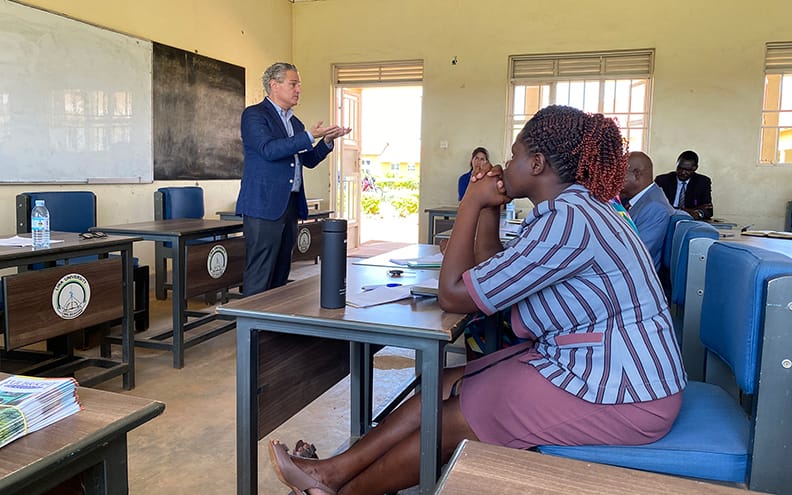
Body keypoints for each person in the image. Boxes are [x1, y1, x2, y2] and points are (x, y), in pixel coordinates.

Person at [267, 105, 686, 495]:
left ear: (537, 164)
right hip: (597, 366)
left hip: (623, 391)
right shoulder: (579, 207)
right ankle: (332, 472)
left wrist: (470, 201)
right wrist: (489, 209)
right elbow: (490, 272)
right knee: (441, 386)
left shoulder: (568, 220)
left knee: (453, 419)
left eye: (515, 154)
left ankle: (338, 490)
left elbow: (453, 295)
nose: (506, 162)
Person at [236, 62, 351, 296]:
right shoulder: (255, 115)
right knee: (260, 273)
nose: (298, 89)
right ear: (274, 85)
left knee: (281, 271)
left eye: (299, 84)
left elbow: (308, 160)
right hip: (263, 205)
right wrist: (308, 136)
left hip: (289, 205)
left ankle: (275, 318)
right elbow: (268, 150)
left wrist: (327, 141)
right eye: (293, 84)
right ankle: (251, 320)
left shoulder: (295, 123)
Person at [622, 151, 676, 271]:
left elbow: (635, 255)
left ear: (636, 174)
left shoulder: (655, 207)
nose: (613, 179)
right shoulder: (642, 200)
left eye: (619, 174)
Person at [654, 150, 713, 220]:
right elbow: (654, 205)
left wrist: (698, 214)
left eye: (687, 170)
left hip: (689, 221)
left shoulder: (702, 182)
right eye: (680, 168)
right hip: (665, 219)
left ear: (695, 168)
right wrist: (689, 210)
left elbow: (708, 209)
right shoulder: (662, 180)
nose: (682, 172)